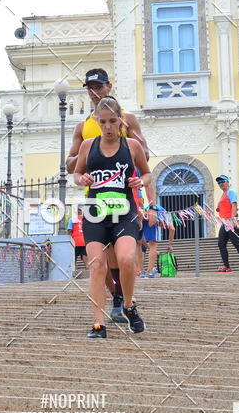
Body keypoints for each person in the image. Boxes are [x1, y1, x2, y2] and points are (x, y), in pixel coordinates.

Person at [66, 68, 149, 323]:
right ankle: (114, 303)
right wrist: (81, 165)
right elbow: (71, 163)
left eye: (99, 87)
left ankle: (123, 300)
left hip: (124, 193)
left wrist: (130, 146)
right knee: (100, 260)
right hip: (95, 197)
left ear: (109, 87)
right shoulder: (83, 128)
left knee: (123, 255)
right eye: (89, 88)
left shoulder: (128, 119)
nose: (94, 92)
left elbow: (144, 154)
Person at [215, 175, 239, 273]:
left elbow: (234, 205)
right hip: (225, 222)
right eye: (219, 183)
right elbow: (225, 206)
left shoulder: (231, 192)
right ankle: (226, 266)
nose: (220, 184)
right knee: (221, 243)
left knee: (236, 243)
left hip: (232, 221)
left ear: (227, 182)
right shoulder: (223, 194)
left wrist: (233, 219)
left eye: (222, 181)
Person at [140, 203, 175, 278]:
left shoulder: (148, 209)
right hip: (153, 213)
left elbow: (142, 238)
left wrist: (150, 248)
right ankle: (149, 272)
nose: (162, 227)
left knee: (139, 243)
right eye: (162, 226)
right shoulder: (165, 214)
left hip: (142, 213)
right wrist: (170, 245)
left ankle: (141, 271)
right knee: (153, 245)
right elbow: (172, 229)